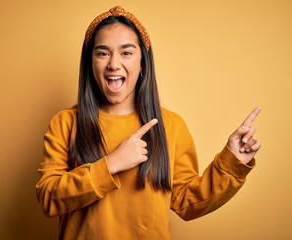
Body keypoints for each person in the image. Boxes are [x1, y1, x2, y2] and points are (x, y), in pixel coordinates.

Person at [36, 6, 261, 240]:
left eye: (126, 53)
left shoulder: (171, 126)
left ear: (143, 63)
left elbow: (188, 202)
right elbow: (48, 198)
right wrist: (111, 164)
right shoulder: (65, 123)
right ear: (90, 63)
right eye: (102, 53)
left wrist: (232, 162)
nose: (113, 64)